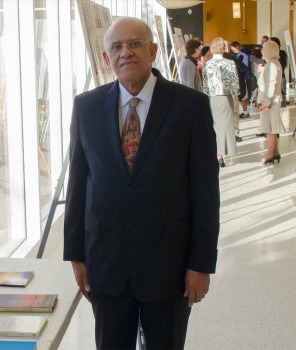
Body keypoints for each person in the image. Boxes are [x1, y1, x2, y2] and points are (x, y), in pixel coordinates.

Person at [64, 17, 220, 349]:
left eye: (135, 44)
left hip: (170, 269)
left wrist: (201, 264)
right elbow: (78, 183)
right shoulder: (86, 106)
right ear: (106, 58)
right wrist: (76, 254)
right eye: (116, 47)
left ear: (152, 51)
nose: (126, 53)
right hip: (106, 263)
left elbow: (205, 192)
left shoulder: (190, 106)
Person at [204, 38, 240, 167]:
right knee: (225, 125)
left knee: (214, 124)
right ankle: (224, 151)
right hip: (226, 97)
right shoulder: (229, 63)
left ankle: (218, 155)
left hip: (212, 97)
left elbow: (205, 85)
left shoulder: (207, 64)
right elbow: (234, 84)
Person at [257, 40, 286, 164]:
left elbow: (271, 85)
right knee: (272, 128)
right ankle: (275, 152)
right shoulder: (275, 63)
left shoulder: (271, 64)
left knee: (269, 129)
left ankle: (270, 154)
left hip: (270, 101)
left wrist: (266, 102)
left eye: (264, 49)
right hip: (273, 100)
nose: (262, 51)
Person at [223, 40, 243, 142]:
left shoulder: (230, 58)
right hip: (232, 89)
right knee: (234, 111)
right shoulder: (232, 58)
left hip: (223, 91)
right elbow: (237, 74)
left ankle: (229, 133)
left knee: (228, 112)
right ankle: (235, 133)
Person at [230, 41, 253, 119]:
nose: (233, 51)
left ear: (237, 46)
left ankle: (245, 112)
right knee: (244, 95)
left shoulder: (243, 54)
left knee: (244, 95)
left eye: (234, 49)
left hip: (245, 78)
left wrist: (238, 71)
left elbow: (245, 67)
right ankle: (245, 111)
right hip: (244, 77)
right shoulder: (242, 53)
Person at [269, 37, 288, 107]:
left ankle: (283, 107)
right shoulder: (271, 54)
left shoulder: (282, 53)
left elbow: (283, 65)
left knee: (282, 93)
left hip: (280, 76)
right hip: (274, 77)